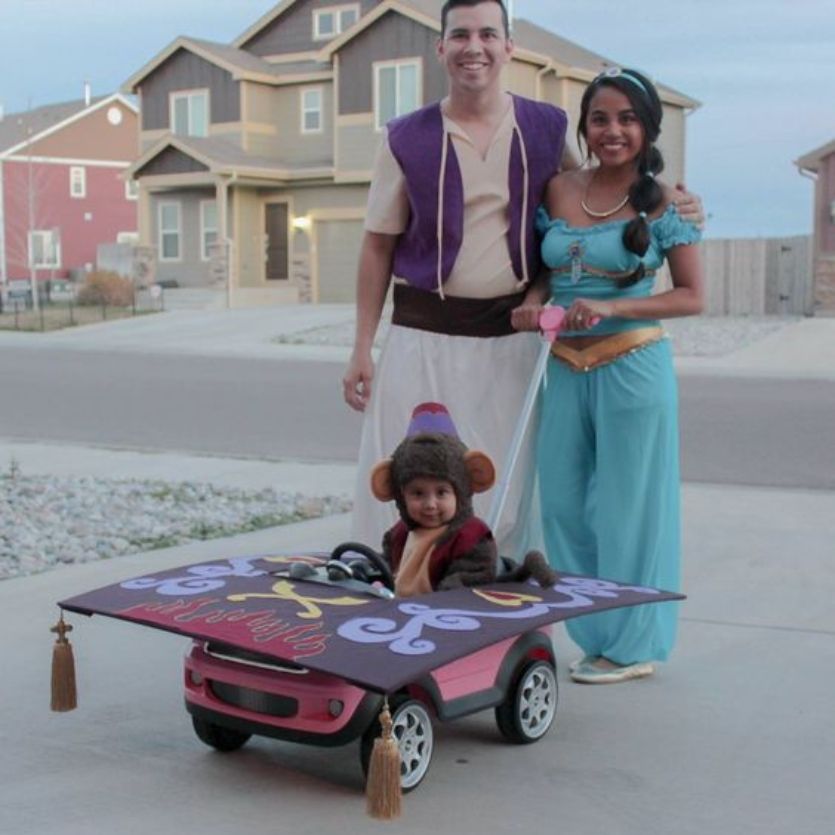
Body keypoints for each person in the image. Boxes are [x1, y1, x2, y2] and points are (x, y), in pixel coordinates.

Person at [342, 0, 700, 560]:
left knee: (504, 490)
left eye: (489, 33)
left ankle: (491, 616)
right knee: (404, 476)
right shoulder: (403, 138)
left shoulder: (546, 126)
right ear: (441, 48)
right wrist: (362, 344)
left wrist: (673, 201)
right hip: (421, 338)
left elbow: (593, 194)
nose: (473, 47)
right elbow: (377, 244)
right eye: (459, 35)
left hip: (513, 341)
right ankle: (394, 610)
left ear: (510, 47)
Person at [511, 67, 704, 685]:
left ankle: (634, 644)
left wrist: (615, 305)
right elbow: (549, 272)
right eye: (600, 118)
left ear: (648, 128)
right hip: (563, 365)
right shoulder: (558, 190)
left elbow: (693, 296)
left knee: (630, 508)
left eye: (627, 119)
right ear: (585, 128)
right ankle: (594, 633)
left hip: (633, 364)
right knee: (564, 504)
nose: (613, 130)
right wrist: (533, 299)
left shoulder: (668, 202)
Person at [370, 402, 556, 597]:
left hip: (444, 612)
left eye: (441, 493)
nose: (430, 504)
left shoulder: (470, 537)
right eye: (418, 494)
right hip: (402, 606)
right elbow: (389, 564)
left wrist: (447, 594)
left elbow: (470, 576)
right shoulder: (400, 533)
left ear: (461, 492)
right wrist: (373, 573)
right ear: (400, 495)